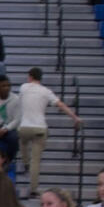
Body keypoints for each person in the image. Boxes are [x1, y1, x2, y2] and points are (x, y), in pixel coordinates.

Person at [17, 67, 82, 197]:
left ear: (30, 77)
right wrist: (75, 117)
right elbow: (61, 105)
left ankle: (25, 163)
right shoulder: (46, 91)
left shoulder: (23, 88)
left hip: (24, 127)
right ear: (41, 78)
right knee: (36, 160)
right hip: (40, 128)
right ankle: (34, 189)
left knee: (23, 142)